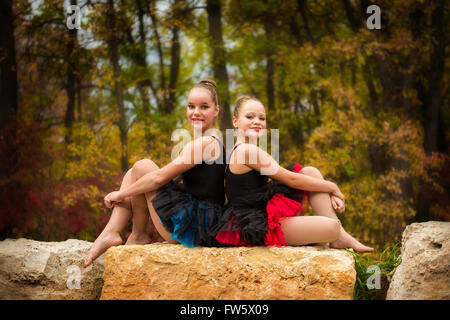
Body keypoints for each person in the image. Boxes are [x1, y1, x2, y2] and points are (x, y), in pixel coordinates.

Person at [84, 78, 227, 266]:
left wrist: (121, 193)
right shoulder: (207, 140)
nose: (196, 112)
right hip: (200, 220)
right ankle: (132, 234)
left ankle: (129, 233)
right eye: (191, 106)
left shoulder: (206, 143)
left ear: (216, 110)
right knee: (134, 172)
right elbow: (166, 178)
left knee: (143, 166)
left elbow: (160, 178)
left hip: (196, 228)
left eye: (204, 107)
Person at [212, 95, 374, 252]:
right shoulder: (247, 151)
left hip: (261, 211)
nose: (257, 122)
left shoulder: (243, 149)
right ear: (235, 122)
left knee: (310, 171)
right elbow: (291, 179)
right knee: (333, 227)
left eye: (262, 118)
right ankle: (338, 235)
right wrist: (333, 187)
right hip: (254, 225)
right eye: (250, 117)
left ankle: (340, 237)